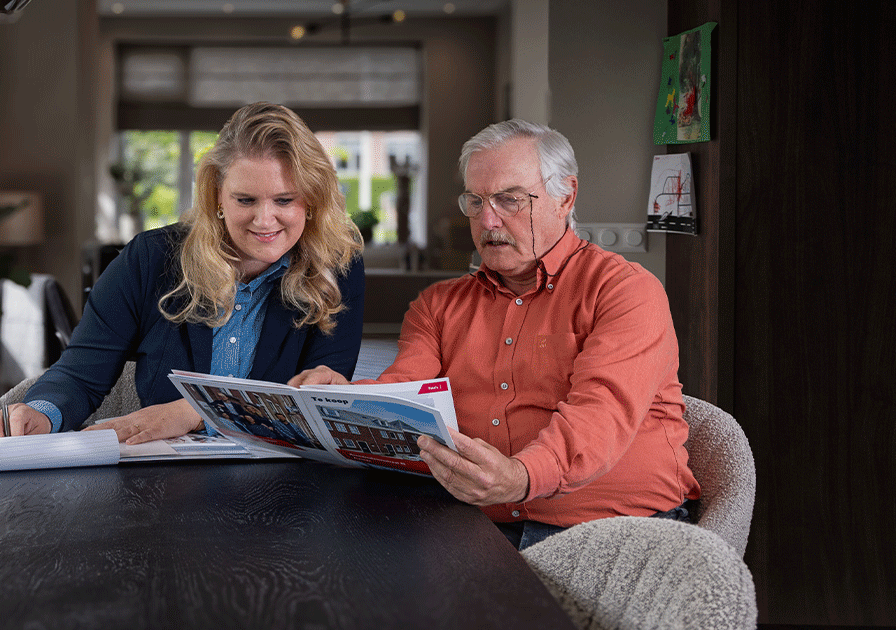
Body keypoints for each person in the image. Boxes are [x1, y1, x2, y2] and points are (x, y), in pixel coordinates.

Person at [292, 120, 699, 548]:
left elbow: (601, 415)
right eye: (476, 200)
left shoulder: (624, 290)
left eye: (509, 200)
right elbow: (404, 394)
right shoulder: (437, 305)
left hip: (612, 529)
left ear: (566, 196)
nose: (488, 220)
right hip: (479, 526)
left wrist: (521, 477)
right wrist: (344, 400)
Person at [0, 102, 365, 442]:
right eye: (245, 199)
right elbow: (81, 374)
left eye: (284, 199)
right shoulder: (149, 259)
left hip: (286, 492)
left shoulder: (337, 267)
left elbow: (316, 405)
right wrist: (41, 414)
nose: (265, 220)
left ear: (312, 199)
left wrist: (196, 413)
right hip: (162, 484)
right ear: (217, 195)